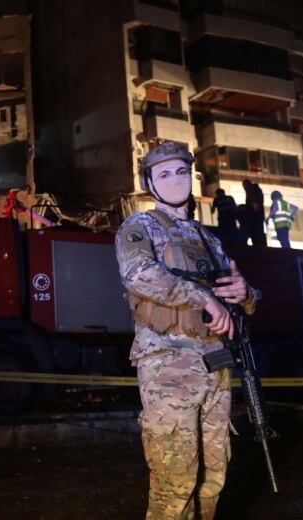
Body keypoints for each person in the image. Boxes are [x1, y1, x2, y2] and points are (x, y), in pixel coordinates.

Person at [115, 142, 258, 519]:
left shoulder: (208, 239)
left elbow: (242, 296)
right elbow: (139, 275)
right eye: (164, 173)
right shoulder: (139, 226)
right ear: (149, 182)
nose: (175, 180)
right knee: (175, 480)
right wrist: (203, 298)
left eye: (181, 171)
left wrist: (245, 293)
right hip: (168, 366)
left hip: (216, 364)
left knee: (214, 475)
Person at [242, 179, 266, 246]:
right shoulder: (255, 189)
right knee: (258, 231)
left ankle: (258, 245)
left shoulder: (251, 189)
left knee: (256, 231)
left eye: (244, 186)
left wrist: (254, 208)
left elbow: (254, 202)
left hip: (254, 215)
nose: (244, 188)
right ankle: (259, 245)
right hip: (257, 215)